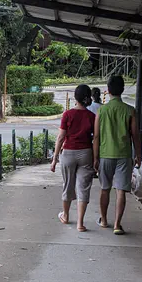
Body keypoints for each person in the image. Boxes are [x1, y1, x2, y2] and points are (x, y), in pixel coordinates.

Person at [93, 73, 142, 236]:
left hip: (105, 154)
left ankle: (104, 220)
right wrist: (139, 154)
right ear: (122, 90)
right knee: (121, 190)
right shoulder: (130, 111)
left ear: (108, 90)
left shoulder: (102, 110)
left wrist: (95, 157)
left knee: (105, 188)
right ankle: (117, 224)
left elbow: (97, 136)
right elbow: (135, 135)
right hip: (124, 155)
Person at [50, 84, 96, 232]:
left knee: (68, 185)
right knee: (83, 188)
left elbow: (61, 137)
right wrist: (96, 158)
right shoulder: (92, 116)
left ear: (75, 97)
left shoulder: (68, 114)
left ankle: (66, 215)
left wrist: (55, 158)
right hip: (86, 153)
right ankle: (80, 223)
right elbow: (96, 139)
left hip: (68, 153)